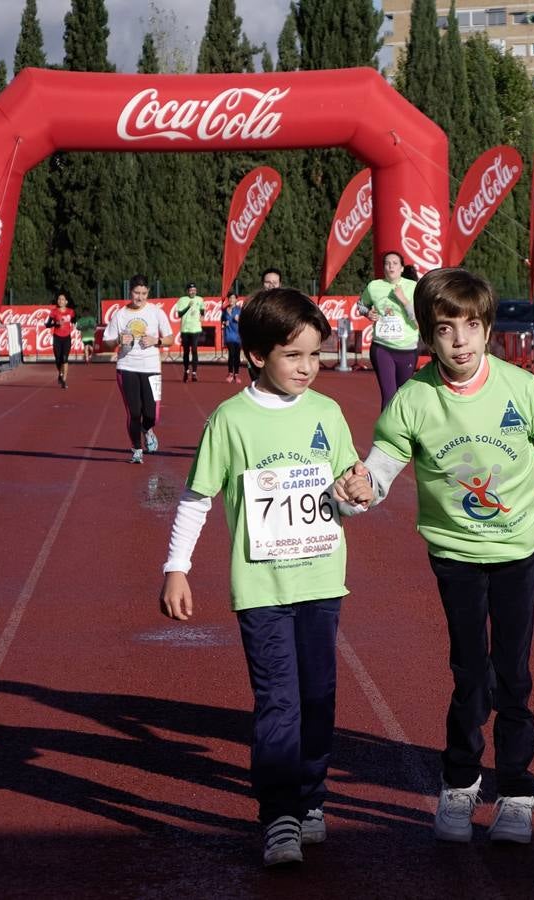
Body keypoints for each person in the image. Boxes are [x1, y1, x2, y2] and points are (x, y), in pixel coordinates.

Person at [343, 268, 534, 845]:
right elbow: (376, 475)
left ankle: (515, 791)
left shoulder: (522, 390)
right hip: (455, 554)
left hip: (516, 549)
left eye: (472, 326)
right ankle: (459, 785)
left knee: (513, 673)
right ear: (426, 337)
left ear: (488, 331)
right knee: (469, 675)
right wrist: (357, 493)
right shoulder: (413, 402)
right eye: (445, 329)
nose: (460, 341)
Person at [158, 288, 374, 868]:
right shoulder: (229, 421)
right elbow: (197, 500)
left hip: (324, 584)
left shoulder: (327, 414)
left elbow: (349, 494)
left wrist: (358, 495)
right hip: (261, 591)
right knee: (278, 702)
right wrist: (176, 568)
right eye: (294, 356)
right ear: (256, 355)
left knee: (319, 699)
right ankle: (278, 815)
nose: (308, 368)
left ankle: (311, 800)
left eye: (315, 355)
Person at [103, 275, 173, 464]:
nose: (140, 297)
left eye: (143, 293)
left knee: (152, 415)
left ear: (148, 293)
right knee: (134, 412)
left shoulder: (156, 312)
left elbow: (170, 338)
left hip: (152, 368)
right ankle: (136, 449)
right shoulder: (120, 314)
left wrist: (155, 340)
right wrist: (118, 340)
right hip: (127, 367)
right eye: (136, 293)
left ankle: (147, 429)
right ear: (130, 292)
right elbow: (107, 342)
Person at [356, 250, 420, 410]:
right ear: (383, 267)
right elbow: (361, 305)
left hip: (407, 348)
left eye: (395, 263)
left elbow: (419, 320)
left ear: (402, 268)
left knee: (403, 395)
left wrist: (404, 300)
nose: (390, 266)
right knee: (389, 395)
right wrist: (368, 313)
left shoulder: (413, 287)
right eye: (387, 263)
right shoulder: (374, 286)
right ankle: (385, 433)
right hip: (382, 347)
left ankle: (403, 432)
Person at [175, 282, 206, 382]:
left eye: (194, 290)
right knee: (186, 351)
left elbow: (202, 309)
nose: (193, 292)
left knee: (194, 350)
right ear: (187, 291)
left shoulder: (200, 299)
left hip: (196, 329)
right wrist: (188, 306)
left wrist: (202, 315)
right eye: (191, 290)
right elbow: (179, 314)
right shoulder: (182, 300)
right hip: (185, 329)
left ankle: (194, 373)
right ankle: (186, 371)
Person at [46, 291, 76, 389]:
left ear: (66, 301)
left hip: (67, 337)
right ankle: (60, 373)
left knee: (65, 358)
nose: (60, 301)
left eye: (62, 299)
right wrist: (55, 324)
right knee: (58, 359)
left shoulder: (71, 311)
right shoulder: (54, 312)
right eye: (59, 299)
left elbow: (74, 320)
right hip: (57, 337)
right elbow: (47, 324)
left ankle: (64, 380)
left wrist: (75, 325)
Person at [222, 290, 245, 383]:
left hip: (238, 336)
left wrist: (239, 320)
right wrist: (224, 322)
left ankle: (237, 374)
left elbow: (244, 322)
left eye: (233, 298)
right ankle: (230, 373)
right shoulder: (224, 310)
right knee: (231, 354)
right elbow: (222, 320)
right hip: (229, 335)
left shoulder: (239, 310)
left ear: (236, 300)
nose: (232, 300)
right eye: (230, 298)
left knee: (237, 356)